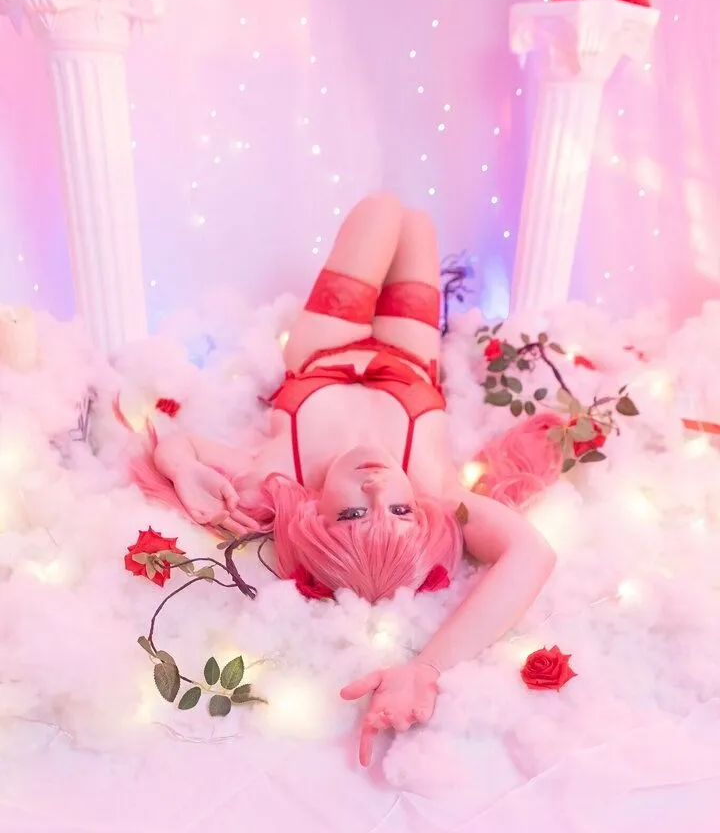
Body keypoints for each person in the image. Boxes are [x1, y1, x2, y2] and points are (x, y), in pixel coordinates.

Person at [142, 193, 556, 766]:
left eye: (354, 513)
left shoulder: (275, 475)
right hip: (411, 359)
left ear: (315, 519)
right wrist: (427, 667)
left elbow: (175, 440)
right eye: (401, 512)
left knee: (382, 211)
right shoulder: (436, 489)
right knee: (417, 224)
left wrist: (185, 468)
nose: (379, 487)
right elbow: (532, 554)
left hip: (326, 346)